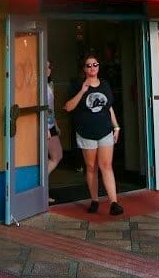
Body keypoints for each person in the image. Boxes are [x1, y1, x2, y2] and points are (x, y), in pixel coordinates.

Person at [64, 53, 123, 215]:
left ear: (99, 67)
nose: (92, 68)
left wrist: (116, 127)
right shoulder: (77, 85)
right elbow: (68, 107)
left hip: (105, 131)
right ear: (84, 69)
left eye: (95, 64)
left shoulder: (104, 84)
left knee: (106, 166)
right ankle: (95, 200)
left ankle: (114, 203)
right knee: (91, 167)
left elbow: (108, 107)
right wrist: (82, 91)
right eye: (88, 65)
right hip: (86, 133)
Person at [46, 60, 62, 203]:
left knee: (55, 157)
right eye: (44, 66)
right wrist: (46, 128)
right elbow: (40, 108)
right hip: (45, 128)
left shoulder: (50, 85)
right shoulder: (38, 86)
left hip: (51, 125)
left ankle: (43, 191)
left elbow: (51, 108)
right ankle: (41, 187)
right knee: (56, 156)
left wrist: (55, 124)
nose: (47, 69)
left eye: (49, 66)